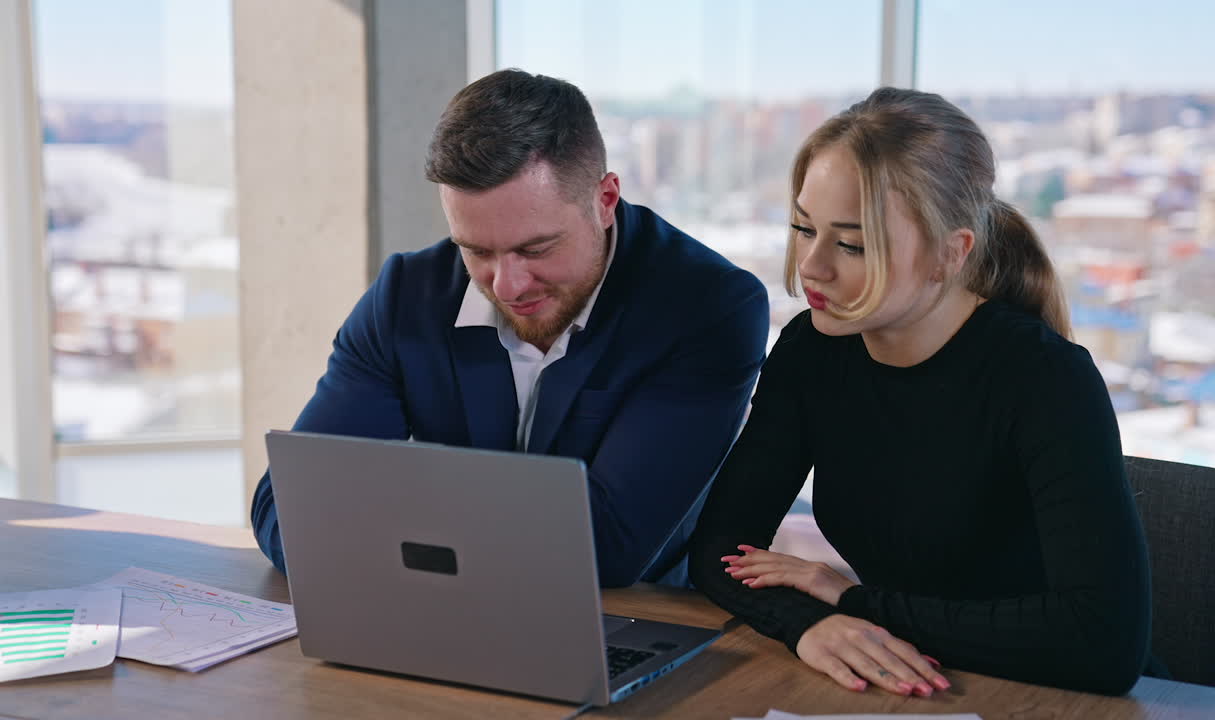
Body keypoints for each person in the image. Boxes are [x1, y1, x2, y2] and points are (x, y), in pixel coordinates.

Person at [688, 87, 1153, 697]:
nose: (812, 267)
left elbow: (1104, 643)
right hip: (904, 682)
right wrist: (808, 625)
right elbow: (720, 548)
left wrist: (855, 601)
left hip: (1051, 698)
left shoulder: (1045, 377)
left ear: (947, 255)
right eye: (804, 228)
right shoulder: (813, 349)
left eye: (851, 244)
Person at [251, 69, 769, 588]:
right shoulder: (405, 297)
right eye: (476, 250)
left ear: (605, 200)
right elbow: (287, 505)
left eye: (535, 248)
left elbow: (606, 548)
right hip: (434, 605)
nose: (506, 286)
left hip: (635, 617)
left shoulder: (708, 308)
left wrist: (396, 498)